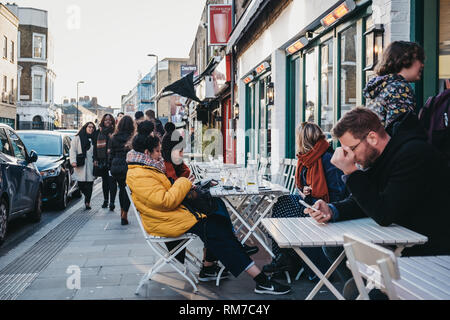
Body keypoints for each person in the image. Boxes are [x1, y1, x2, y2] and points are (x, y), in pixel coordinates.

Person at [304, 107, 450, 296]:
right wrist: (332, 210)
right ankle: (365, 285)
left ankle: (368, 288)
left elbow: (384, 213)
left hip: (433, 252)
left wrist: (350, 172)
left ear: (372, 138)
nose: (351, 156)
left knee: (361, 292)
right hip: (402, 242)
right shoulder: (383, 156)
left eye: (352, 149)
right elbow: (366, 201)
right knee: (333, 248)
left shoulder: (412, 154)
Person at [126, 128, 291, 295]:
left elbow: (166, 197)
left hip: (172, 217)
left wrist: (185, 184)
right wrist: (184, 183)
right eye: (157, 151)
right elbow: (165, 201)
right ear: (147, 152)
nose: (160, 155)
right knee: (218, 231)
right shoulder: (140, 174)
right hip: (164, 222)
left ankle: (214, 267)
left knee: (217, 220)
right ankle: (260, 279)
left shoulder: (146, 169)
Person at [161, 122, 259, 260]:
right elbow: (174, 195)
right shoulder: (166, 170)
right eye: (180, 151)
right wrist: (189, 186)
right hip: (178, 216)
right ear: (169, 151)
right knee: (215, 215)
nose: (183, 155)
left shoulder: (178, 168)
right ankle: (225, 253)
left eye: (183, 150)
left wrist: (195, 185)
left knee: (216, 206)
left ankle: (213, 261)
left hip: (186, 210)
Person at [262, 122, 347, 278]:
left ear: (303, 140)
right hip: (309, 201)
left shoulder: (327, 158)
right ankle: (284, 257)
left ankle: (290, 259)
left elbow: (338, 193)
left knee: (286, 211)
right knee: (282, 202)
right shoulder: (306, 159)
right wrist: (304, 191)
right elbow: (305, 185)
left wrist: (314, 197)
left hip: (324, 207)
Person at [363, 41, 425, 128]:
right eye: (419, 59)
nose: (422, 65)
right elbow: (400, 132)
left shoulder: (381, 85)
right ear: (405, 60)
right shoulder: (399, 88)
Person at [109, 115, 135, 225]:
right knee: (128, 191)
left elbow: (111, 153)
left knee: (121, 189)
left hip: (116, 166)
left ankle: (121, 212)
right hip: (128, 167)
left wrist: (111, 165)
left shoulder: (114, 137)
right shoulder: (132, 137)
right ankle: (125, 213)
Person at [93, 114, 117, 210]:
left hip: (112, 160)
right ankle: (105, 200)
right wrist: (95, 159)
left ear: (112, 121)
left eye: (109, 120)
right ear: (103, 121)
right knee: (105, 182)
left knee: (112, 181)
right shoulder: (99, 132)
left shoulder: (115, 132)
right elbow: (95, 146)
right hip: (102, 160)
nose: (107, 121)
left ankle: (112, 202)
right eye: (106, 120)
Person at [70, 122, 96, 210]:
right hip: (80, 164)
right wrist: (73, 161)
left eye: (93, 127)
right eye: (89, 127)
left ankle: (87, 202)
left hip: (91, 164)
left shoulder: (94, 138)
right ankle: (86, 197)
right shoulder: (77, 138)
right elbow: (72, 150)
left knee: (90, 184)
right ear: (85, 127)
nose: (91, 129)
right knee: (81, 184)